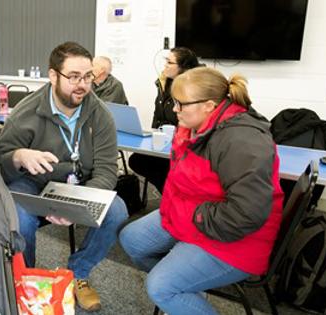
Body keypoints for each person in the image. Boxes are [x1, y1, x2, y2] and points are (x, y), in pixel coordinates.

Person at [119, 67, 284, 315]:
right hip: (191, 214)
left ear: (208, 105)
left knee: (160, 287)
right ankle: (186, 290)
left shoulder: (241, 141)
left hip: (233, 236)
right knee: (131, 240)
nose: (174, 110)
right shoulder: (195, 125)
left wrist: (194, 216)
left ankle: (175, 290)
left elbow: (246, 214)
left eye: (181, 104)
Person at [0, 42, 129, 312]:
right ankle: (27, 281)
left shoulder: (100, 114)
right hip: (34, 184)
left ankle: (78, 273)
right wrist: (19, 156)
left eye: (87, 76)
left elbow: (106, 170)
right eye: (73, 77)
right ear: (53, 75)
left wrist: (75, 204)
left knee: (117, 210)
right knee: (18, 215)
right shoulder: (26, 112)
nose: (82, 84)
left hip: (78, 184)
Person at [128, 47, 200, 193]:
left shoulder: (191, 90)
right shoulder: (163, 83)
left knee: (157, 166)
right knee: (136, 160)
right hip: (163, 143)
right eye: (165, 61)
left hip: (182, 146)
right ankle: (170, 192)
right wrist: (153, 137)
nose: (165, 65)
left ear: (182, 67)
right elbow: (158, 114)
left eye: (169, 62)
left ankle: (172, 194)